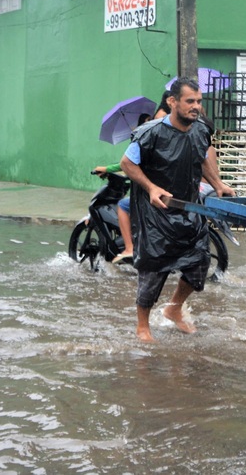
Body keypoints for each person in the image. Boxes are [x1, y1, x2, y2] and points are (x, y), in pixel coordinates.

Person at [120, 78, 235, 342]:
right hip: (156, 213)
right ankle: (142, 327)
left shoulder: (200, 130)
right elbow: (126, 164)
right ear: (173, 102)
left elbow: (201, 158)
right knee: (153, 269)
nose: (196, 107)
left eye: (199, 101)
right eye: (190, 101)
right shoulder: (150, 132)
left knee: (200, 262)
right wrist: (150, 187)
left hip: (188, 210)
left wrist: (218, 184)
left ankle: (174, 309)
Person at [93, 112, 152, 262]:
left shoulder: (145, 138)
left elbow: (126, 164)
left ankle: (129, 248)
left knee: (123, 205)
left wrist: (106, 169)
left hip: (151, 192)